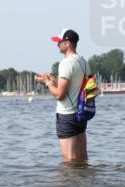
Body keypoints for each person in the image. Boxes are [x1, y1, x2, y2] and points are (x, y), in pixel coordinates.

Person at [35, 29, 88, 162]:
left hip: (67, 115)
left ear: (68, 43)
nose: (57, 45)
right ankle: (85, 182)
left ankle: (68, 183)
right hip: (81, 114)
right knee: (82, 157)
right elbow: (74, 87)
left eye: (60, 42)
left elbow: (60, 95)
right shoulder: (83, 62)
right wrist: (53, 80)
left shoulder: (66, 63)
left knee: (69, 159)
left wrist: (47, 83)